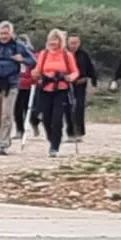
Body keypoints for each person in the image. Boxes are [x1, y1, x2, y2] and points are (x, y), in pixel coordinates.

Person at [0, 22, 36, 156]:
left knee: (7, 114)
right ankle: (4, 138)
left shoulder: (18, 46)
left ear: (12, 33)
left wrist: (22, 59)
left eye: (6, 33)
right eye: (1, 33)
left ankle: (3, 144)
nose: (4, 36)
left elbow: (33, 61)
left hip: (12, 83)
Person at [32, 29, 79, 157]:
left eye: (56, 39)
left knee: (57, 119)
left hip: (61, 89)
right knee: (46, 118)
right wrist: (35, 74)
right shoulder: (44, 54)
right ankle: (51, 139)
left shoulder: (66, 55)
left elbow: (75, 72)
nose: (53, 42)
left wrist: (70, 77)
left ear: (60, 41)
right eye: (51, 39)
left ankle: (55, 146)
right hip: (46, 88)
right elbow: (38, 69)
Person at [65, 34, 97, 143]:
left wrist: (93, 82)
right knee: (68, 109)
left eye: (76, 43)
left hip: (80, 84)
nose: (74, 45)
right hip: (67, 85)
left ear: (79, 43)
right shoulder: (64, 54)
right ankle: (70, 133)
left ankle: (79, 133)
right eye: (71, 43)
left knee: (79, 108)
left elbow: (91, 69)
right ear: (67, 43)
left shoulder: (84, 55)